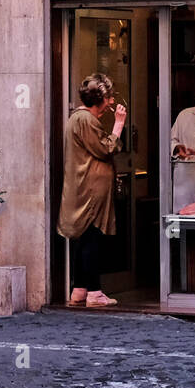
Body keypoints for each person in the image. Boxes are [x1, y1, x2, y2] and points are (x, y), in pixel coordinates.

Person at [57, 73, 127, 308]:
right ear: (101, 98)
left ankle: (80, 288)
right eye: (108, 97)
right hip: (90, 191)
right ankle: (95, 292)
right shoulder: (85, 120)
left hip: (83, 188)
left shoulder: (77, 118)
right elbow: (106, 149)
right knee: (92, 239)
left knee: (84, 238)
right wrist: (118, 124)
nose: (110, 102)